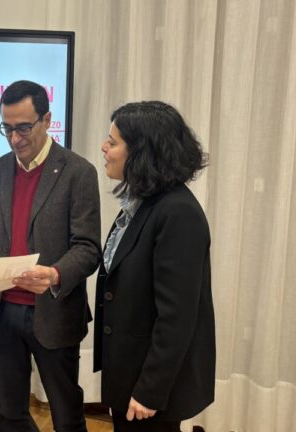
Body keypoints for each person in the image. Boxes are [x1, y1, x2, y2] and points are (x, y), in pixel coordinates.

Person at [0, 80, 101, 432]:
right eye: (7, 129)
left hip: (54, 312)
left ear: (47, 120)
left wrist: (54, 274)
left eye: (24, 127)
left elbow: (88, 249)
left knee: (65, 412)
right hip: (2, 313)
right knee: (11, 412)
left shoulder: (78, 172)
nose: (15, 138)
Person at [94, 101, 216, 432]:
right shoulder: (141, 203)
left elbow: (176, 318)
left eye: (113, 141)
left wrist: (150, 391)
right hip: (129, 372)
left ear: (142, 151)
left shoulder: (177, 213)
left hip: (151, 388)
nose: (104, 148)